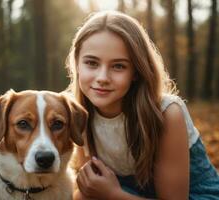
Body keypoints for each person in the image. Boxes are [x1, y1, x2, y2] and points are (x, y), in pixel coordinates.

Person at [65, 10, 219, 200]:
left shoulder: (166, 113)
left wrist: (112, 194)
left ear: (136, 72)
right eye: (91, 63)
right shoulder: (78, 113)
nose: (102, 78)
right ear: (77, 65)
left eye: (118, 66)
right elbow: (91, 189)